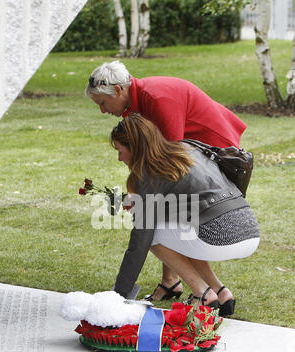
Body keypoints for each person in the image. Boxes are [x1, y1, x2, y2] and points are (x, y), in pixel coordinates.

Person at [86, 60, 248, 302]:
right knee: (169, 217)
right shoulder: (137, 102)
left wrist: (143, 200)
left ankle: (197, 289)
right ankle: (200, 287)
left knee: (166, 221)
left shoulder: (157, 100)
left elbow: (169, 163)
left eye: (102, 102)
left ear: (118, 90)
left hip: (215, 150)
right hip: (197, 158)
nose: (102, 110)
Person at [110, 113, 260, 317]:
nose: (119, 158)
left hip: (221, 234)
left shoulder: (148, 174)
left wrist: (119, 295)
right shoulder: (188, 147)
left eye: (120, 151)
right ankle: (221, 292)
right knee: (184, 231)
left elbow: (139, 242)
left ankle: (202, 293)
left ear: (135, 147)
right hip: (249, 229)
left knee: (153, 235)